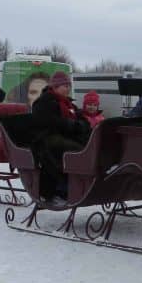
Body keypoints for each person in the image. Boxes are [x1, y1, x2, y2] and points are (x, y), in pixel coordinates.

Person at [30, 71, 90, 204]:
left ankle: (79, 185)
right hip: (45, 140)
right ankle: (59, 190)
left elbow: (83, 119)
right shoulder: (43, 102)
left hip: (63, 137)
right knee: (74, 149)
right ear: (55, 87)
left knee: (87, 145)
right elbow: (48, 122)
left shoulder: (68, 104)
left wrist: (80, 125)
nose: (68, 88)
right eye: (64, 86)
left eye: (69, 86)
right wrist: (71, 125)